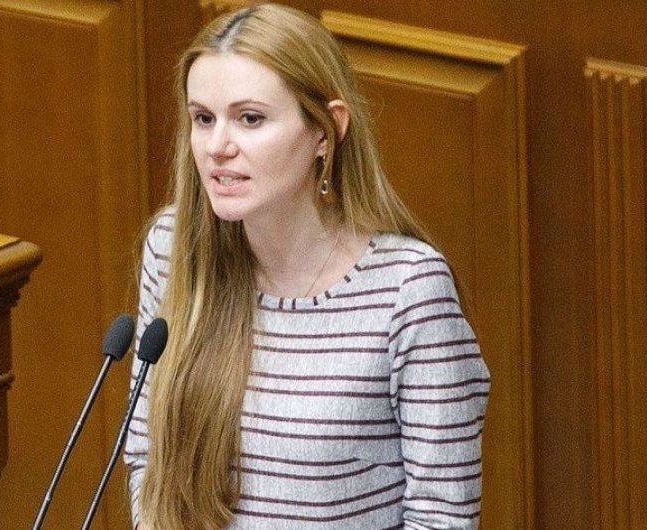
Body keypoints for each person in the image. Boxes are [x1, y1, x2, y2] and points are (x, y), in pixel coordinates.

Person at [124, 4, 489, 529]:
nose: (217, 147)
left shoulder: (408, 290)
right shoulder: (173, 248)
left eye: (250, 119)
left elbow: (442, 517)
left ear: (326, 130)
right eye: (203, 118)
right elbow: (147, 457)